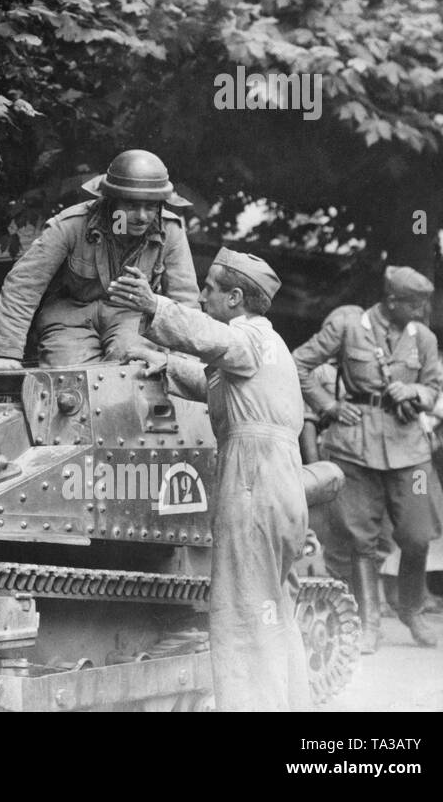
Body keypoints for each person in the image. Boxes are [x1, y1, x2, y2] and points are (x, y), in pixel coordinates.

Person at [111, 250, 310, 711]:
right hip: (280, 482)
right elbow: (216, 382)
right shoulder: (266, 343)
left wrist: (154, 305)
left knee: (241, 612)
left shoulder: (243, 336)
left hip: (253, 479)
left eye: (211, 289)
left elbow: (210, 341)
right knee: (272, 608)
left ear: (235, 298)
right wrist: (163, 363)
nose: (202, 296)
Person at [291, 266, 442, 652]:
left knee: (418, 535)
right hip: (355, 448)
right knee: (361, 539)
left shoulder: (422, 337)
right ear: (392, 302)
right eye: (415, 304)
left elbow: (433, 385)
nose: (423, 311)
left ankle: (411, 609)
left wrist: (414, 393)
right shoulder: (348, 324)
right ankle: (368, 622)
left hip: (410, 451)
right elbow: (299, 363)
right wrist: (327, 406)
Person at [0, 149, 199, 369]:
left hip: (131, 318)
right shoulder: (71, 225)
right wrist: (6, 351)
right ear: (111, 202)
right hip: (70, 317)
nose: (142, 216)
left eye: (150, 206)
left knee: (136, 370)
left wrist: (186, 358)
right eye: (131, 206)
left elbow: (184, 297)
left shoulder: (170, 230)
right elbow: (25, 284)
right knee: (69, 382)